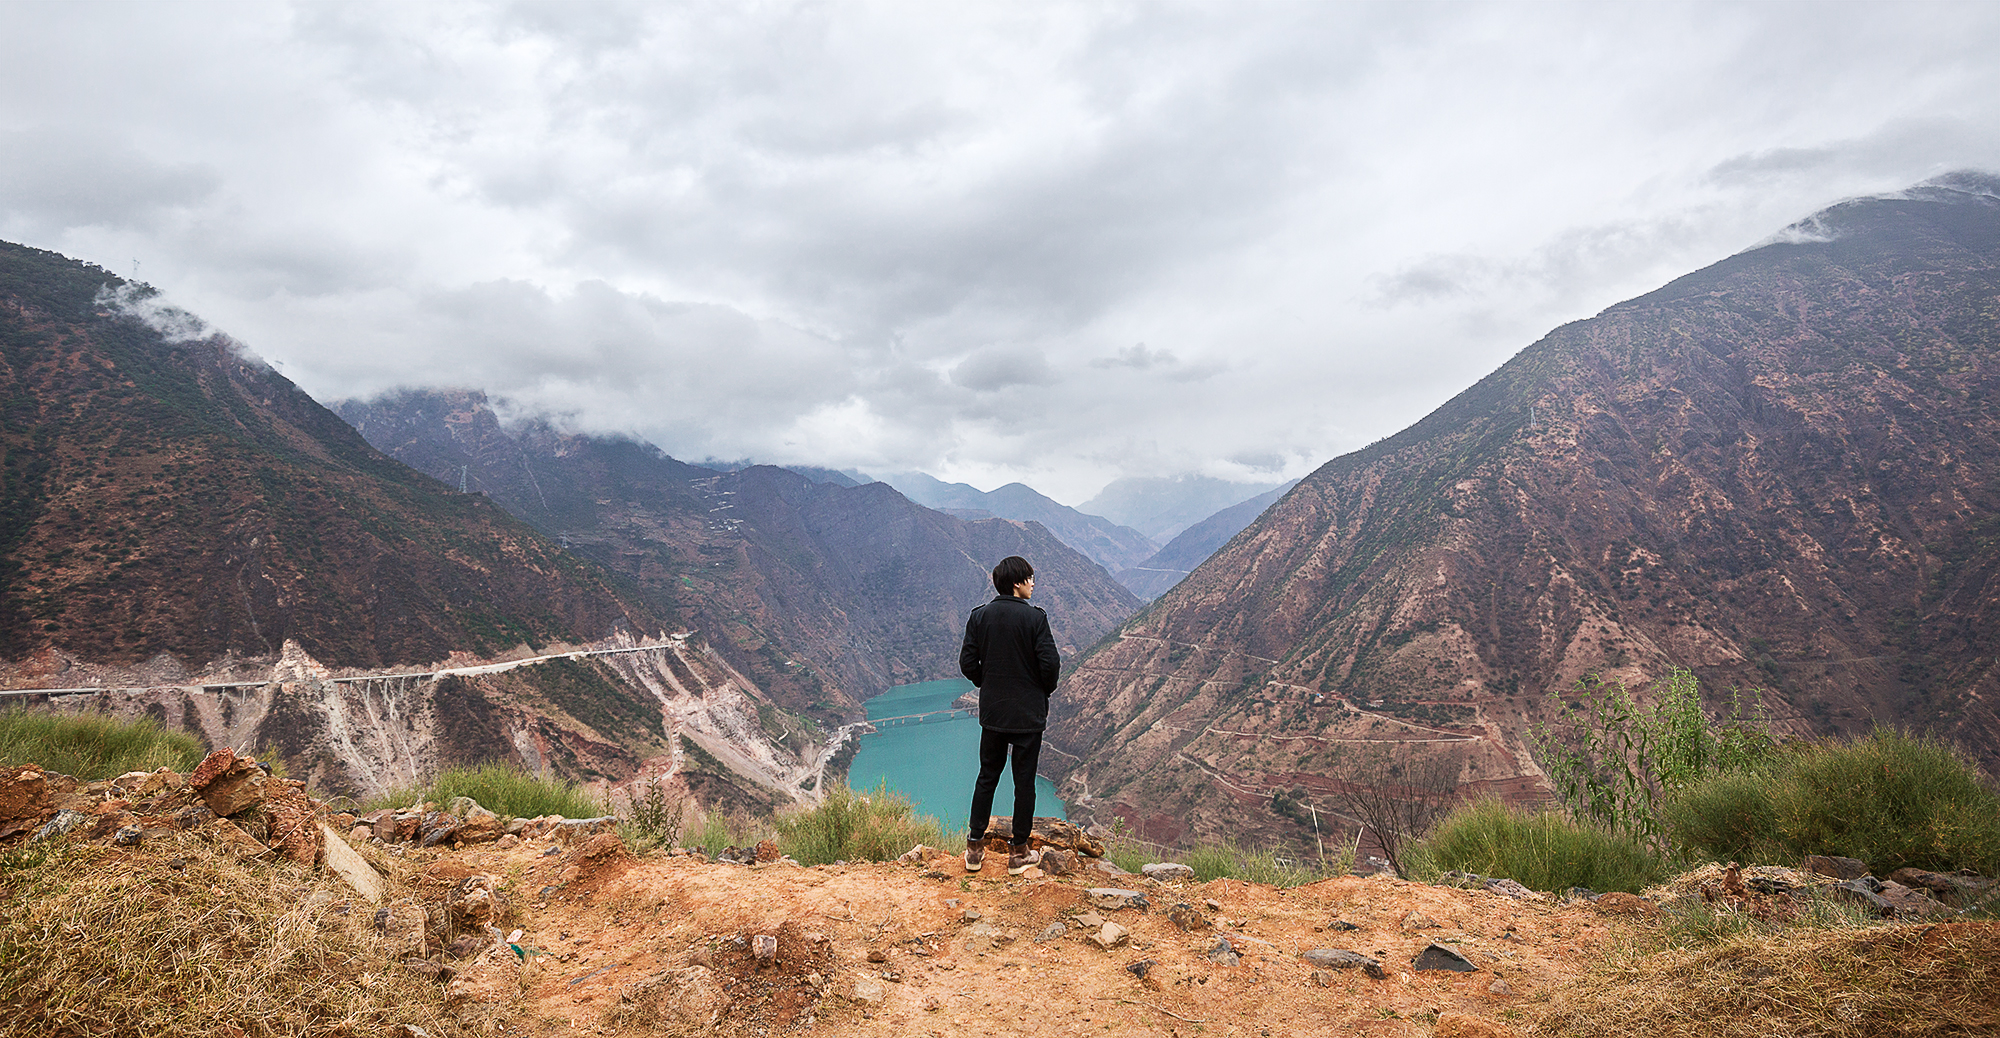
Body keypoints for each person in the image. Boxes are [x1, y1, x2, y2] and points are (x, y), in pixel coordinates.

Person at [959, 554, 1061, 875]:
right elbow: (1051, 665)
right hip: (1028, 717)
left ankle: (974, 849)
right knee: (1024, 784)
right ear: (1017, 583)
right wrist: (1040, 690)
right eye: (1029, 578)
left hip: (993, 715)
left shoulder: (979, 617)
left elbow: (967, 663)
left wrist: (985, 683)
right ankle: (1018, 854)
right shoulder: (1035, 619)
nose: (1033, 584)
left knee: (987, 777)